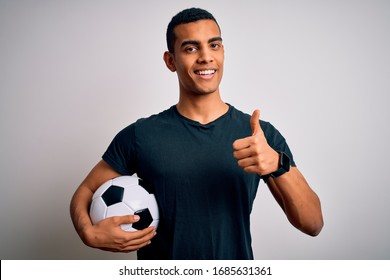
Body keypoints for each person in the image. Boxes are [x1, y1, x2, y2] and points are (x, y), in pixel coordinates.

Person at [70, 7, 323, 260]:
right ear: (171, 61)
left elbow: (313, 224)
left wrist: (278, 164)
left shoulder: (259, 135)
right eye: (191, 48)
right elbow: (85, 192)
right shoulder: (141, 135)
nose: (205, 57)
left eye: (214, 45)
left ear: (223, 52)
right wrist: (88, 233)